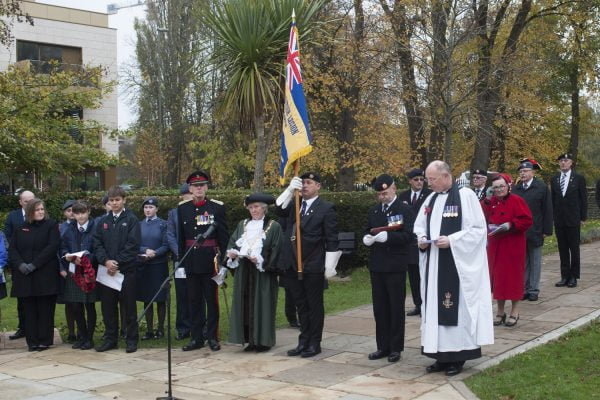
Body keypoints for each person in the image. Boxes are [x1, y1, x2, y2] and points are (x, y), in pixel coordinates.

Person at [414, 161, 494, 376]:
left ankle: (457, 358)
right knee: (434, 308)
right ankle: (439, 355)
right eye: (428, 180)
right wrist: (421, 239)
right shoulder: (430, 198)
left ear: (446, 176)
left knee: (453, 309)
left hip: (457, 265)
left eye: (433, 179)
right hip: (435, 264)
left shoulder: (465, 196)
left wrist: (452, 240)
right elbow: (420, 225)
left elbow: (478, 230)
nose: (429, 184)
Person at [275, 172, 340, 358]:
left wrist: (329, 266)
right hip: (293, 264)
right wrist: (289, 190)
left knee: (314, 306)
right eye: (302, 183)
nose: (304, 186)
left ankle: (314, 343)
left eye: (309, 182)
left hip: (313, 264)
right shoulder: (294, 204)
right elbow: (278, 209)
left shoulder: (326, 208)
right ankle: (303, 341)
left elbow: (332, 238)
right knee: (300, 305)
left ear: (318, 186)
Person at [363, 174, 415, 363]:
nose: (382, 197)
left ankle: (395, 347)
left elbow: (409, 236)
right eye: (380, 194)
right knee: (380, 308)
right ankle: (382, 346)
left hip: (395, 265)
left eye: (385, 193)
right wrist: (367, 238)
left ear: (394, 189)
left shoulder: (404, 209)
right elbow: (368, 229)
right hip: (377, 265)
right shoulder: (375, 211)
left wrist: (389, 238)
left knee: (395, 307)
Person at [177, 170, 229, 352]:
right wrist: (180, 262)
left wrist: (223, 263)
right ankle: (196, 338)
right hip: (191, 261)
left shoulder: (217, 207)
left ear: (206, 187)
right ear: (190, 188)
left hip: (210, 261)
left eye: (202, 185)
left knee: (211, 301)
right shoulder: (182, 208)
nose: (198, 189)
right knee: (194, 302)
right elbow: (180, 238)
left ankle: (213, 337)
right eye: (195, 186)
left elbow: (223, 236)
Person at [226, 193, 283, 352]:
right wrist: (231, 254)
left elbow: (277, 249)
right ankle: (249, 340)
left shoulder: (274, 226)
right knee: (244, 305)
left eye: (257, 207)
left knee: (262, 304)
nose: (253, 210)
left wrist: (261, 260)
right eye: (251, 207)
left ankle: (263, 341)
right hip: (243, 270)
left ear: (264, 209)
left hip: (262, 273)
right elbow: (233, 243)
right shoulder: (242, 224)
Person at [93, 186, 141, 353]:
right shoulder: (103, 222)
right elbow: (97, 243)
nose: (114, 203)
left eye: (117, 200)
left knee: (128, 307)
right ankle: (110, 339)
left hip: (126, 271)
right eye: (111, 200)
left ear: (124, 200)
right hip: (107, 272)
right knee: (108, 307)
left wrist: (117, 263)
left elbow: (133, 245)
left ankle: (132, 339)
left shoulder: (132, 219)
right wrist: (106, 261)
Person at [9, 198, 60, 351]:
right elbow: (13, 250)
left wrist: (34, 264)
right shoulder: (20, 228)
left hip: (45, 274)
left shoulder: (51, 226)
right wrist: (20, 265)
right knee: (28, 310)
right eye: (37, 210)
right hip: (24, 276)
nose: (40, 212)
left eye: (42, 209)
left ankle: (44, 341)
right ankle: (32, 342)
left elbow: (52, 247)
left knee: (45, 309)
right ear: (30, 211)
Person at [481, 173, 533, 327]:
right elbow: (480, 214)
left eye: (501, 186)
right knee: (498, 280)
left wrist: (511, 224)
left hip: (512, 246)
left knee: (512, 279)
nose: (499, 190)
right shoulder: (493, 201)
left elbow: (527, 220)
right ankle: (500, 311)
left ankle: (515, 311)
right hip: (495, 246)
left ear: (508, 186)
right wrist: (487, 200)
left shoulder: (517, 201)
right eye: (496, 187)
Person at [512, 159, 553, 301]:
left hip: (535, 230)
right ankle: (524, 288)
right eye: (521, 171)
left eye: (525, 171)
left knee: (535, 260)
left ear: (532, 172)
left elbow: (547, 210)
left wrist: (546, 230)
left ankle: (534, 289)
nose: (522, 173)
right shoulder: (516, 189)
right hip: (519, 231)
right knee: (523, 261)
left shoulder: (540, 187)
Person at [60, 201, 98, 350]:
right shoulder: (68, 229)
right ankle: (82, 335)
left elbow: (99, 248)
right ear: (73, 215)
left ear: (88, 212)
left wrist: (89, 258)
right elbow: (62, 247)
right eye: (77, 213)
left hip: (89, 271)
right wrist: (66, 255)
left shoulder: (95, 228)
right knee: (75, 305)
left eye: (83, 212)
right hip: (74, 270)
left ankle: (89, 338)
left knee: (89, 305)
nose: (80, 216)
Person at [397, 168, 431, 316]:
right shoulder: (403, 196)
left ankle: (428, 305)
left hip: (424, 240)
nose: (419, 182)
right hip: (409, 241)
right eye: (416, 180)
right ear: (410, 181)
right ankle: (418, 304)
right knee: (414, 276)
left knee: (426, 275)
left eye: (421, 179)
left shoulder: (430, 195)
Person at [550, 153, 587, 288]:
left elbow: (583, 199)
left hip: (573, 218)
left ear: (571, 163)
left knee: (574, 249)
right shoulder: (554, 179)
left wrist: (583, 217)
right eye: (561, 161)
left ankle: (574, 276)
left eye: (566, 161)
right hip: (559, 219)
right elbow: (553, 200)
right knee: (562, 248)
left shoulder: (578, 178)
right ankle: (564, 276)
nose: (563, 163)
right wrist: (552, 217)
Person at [4, 189, 34, 340]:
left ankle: (37, 328)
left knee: (38, 297)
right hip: (19, 264)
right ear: (21, 202)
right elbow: (8, 241)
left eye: (32, 200)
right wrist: (19, 261)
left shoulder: (40, 215)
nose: (30, 204)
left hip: (37, 264)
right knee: (22, 298)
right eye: (26, 201)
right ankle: (23, 328)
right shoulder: (12, 217)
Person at [137, 197, 169, 340]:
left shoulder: (163, 224)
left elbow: (167, 244)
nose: (148, 210)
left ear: (156, 209)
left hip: (159, 265)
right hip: (144, 265)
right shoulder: (139, 225)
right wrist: (145, 250)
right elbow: (134, 243)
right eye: (146, 207)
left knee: (160, 298)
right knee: (147, 298)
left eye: (151, 207)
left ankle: (160, 328)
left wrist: (155, 253)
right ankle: (149, 330)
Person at [166, 183, 193, 340]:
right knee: (182, 294)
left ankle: (199, 325)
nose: (189, 197)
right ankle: (183, 327)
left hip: (196, 259)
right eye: (186, 195)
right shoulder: (174, 214)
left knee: (197, 293)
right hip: (180, 259)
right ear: (181, 196)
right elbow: (170, 235)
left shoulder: (199, 212)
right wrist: (180, 253)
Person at [59, 199, 77, 344]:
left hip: (82, 266)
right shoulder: (60, 228)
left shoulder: (82, 226)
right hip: (66, 268)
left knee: (82, 302)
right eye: (68, 211)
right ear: (65, 213)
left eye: (74, 210)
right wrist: (61, 269)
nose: (71, 213)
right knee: (69, 302)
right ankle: (71, 331)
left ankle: (83, 329)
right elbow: (56, 250)